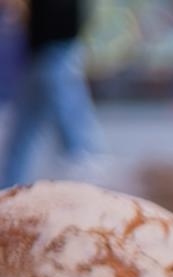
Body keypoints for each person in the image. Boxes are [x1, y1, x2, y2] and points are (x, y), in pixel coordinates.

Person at [2, 0, 105, 188]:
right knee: (25, 127)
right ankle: (9, 186)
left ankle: (84, 165)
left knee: (69, 117)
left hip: (56, 46)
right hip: (41, 49)